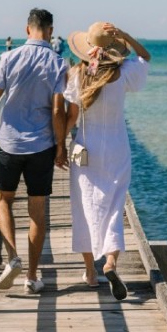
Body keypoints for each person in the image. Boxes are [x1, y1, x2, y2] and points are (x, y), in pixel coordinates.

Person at [63, 21, 150, 300]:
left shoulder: (78, 75)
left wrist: (58, 147)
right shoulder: (123, 73)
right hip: (116, 147)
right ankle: (110, 263)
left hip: (86, 148)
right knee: (114, 206)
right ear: (113, 49)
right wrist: (125, 35)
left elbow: (71, 116)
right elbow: (145, 56)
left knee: (84, 205)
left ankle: (90, 272)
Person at [0, 8, 69, 294]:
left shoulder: (9, 58)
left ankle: (12, 258)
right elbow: (58, 110)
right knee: (37, 210)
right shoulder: (59, 62)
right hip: (42, 145)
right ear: (51, 30)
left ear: (27, 29)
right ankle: (31, 277)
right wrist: (61, 146)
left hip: (9, 143)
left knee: (3, 200)